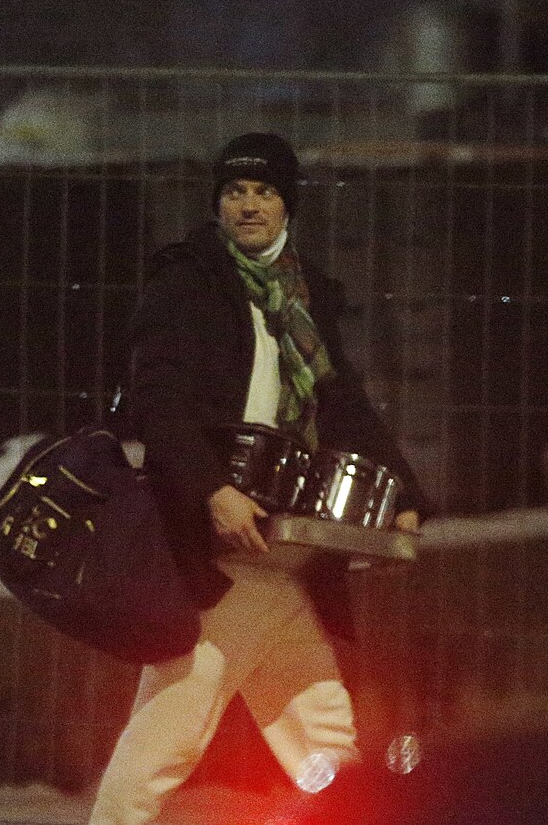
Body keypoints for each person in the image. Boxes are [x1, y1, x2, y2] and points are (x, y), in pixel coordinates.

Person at [90, 132, 432, 825]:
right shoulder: (187, 282)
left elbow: (344, 406)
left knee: (324, 737)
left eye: (265, 192)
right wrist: (213, 491)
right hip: (218, 545)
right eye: (235, 192)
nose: (249, 205)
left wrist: (402, 496)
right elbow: (158, 401)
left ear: (287, 205)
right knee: (170, 734)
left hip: (284, 545)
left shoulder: (306, 296)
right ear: (217, 204)